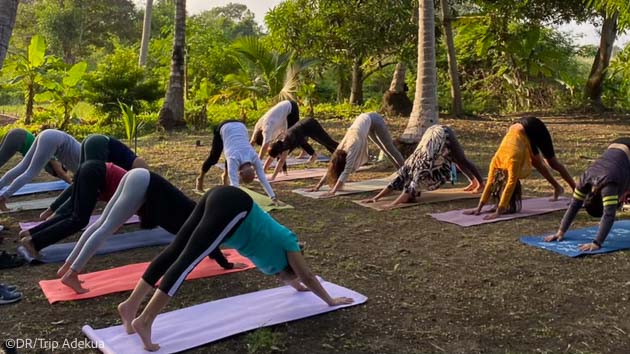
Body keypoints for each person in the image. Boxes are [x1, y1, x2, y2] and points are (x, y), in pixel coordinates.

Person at [117, 186, 354, 352]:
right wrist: (329, 300)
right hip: (235, 207)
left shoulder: (276, 263)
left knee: (175, 250)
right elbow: (307, 275)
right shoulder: (288, 242)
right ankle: (146, 319)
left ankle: (130, 306)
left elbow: (295, 277)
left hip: (223, 197)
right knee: (186, 260)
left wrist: (298, 287)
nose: (285, 277)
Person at [56, 168, 246, 294]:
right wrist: (226, 264)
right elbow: (207, 240)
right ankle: (71, 273)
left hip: (138, 176)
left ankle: (67, 266)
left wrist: (222, 260)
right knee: (106, 227)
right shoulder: (203, 219)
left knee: (100, 225)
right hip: (144, 183)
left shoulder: (200, 213)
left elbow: (207, 242)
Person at [19, 161, 126, 259]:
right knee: (79, 220)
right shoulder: (140, 193)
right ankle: (34, 242)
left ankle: (30, 233)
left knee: (71, 214)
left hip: (91, 168)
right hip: (96, 174)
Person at [362, 125, 485, 208]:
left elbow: (406, 193)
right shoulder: (408, 168)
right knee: (457, 160)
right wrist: (375, 198)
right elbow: (393, 185)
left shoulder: (417, 173)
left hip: (442, 132)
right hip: (432, 134)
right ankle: (474, 182)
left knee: (461, 159)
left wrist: (392, 204)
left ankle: (481, 184)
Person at [544, 138, 630, 252]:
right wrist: (560, 231)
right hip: (616, 145)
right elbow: (574, 206)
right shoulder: (585, 179)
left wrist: (597, 243)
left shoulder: (608, 187)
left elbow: (609, 215)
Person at [39, 134, 149, 219]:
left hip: (93, 140)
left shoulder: (140, 173)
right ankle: (56, 216)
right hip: (98, 144)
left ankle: (50, 211)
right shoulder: (142, 172)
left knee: (79, 182)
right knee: (87, 186)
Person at [309, 112, 405, 197]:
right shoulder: (340, 148)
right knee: (384, 150)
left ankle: (406, 171)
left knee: (389, 148)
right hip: (365, 122)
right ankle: (399, 174)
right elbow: (331, 168)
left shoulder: (352, 150)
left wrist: (333, 191)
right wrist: (317, 187)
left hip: (374, 119)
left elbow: (346, 171)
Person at [195, 120, 278, 202]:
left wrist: (273, 197)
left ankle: (224, 177)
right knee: (213, 158)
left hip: (241, 126)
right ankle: (200, 178)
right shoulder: (233, 159)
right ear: (240, 173)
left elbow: (262, 178)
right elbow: (235, 185)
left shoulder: (254, 157)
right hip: (224, 127)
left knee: (231, 155)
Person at [464, 122, 532, 220]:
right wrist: (479, 208)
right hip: (521, 129)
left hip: (530, 130)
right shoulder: (496, 161)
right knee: (541, 162)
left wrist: (498, 212)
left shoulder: (512, 162)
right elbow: (489, 184)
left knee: (542, 163)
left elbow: (509, 185)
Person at [0, 129, 80, 210]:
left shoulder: (82, 159)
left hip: (47, 134)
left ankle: (2, 194)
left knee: (22, 167)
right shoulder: (83, 165)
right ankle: (3, 198)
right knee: (31, 173)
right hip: (52, 139)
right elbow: (61, 173)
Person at [514, 116, 575, 198]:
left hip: (534, 127)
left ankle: (575, 189)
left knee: (552, 163)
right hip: (524, 132)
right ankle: (557, 187)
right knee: (536, 163)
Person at [266, 117, 339, 181]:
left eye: (277, 155)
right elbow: (271, 157)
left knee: (328, 142)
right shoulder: (277, 145)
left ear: (279, 151)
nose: (277, 157)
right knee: (326, 144)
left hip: (310, 125)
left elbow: (281, 161)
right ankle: (339, 157)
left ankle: (344, 151)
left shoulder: (286, 144)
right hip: (303, 128)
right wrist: (262, 172)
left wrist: (273, 177)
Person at [0, 128, 71, 183]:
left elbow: (60, 173)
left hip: (19, 134)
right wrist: (73, 184)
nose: (48, 172)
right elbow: (60, 172)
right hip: (19, 138)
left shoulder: (43, 160)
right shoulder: (50, 156)